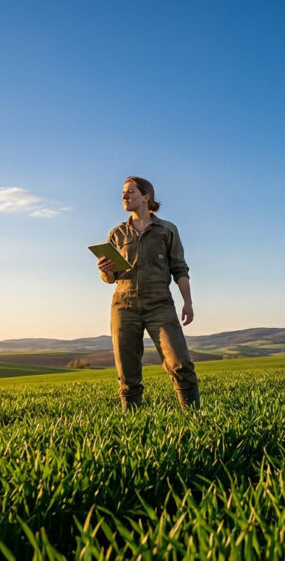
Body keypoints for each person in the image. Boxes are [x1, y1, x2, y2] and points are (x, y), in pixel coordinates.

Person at [97, 176, 199, 410]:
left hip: (159, 304)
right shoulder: (116, 234)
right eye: (123, 192)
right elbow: (110, 279)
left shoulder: (167, 230)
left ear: (146, 197)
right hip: (124, 305)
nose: (124, 195)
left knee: (180, 363)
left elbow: (180, 268)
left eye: (130, 191)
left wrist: (188, 302)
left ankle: (195, 420)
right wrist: (105, 271)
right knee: (127, 372)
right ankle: (132, 427)